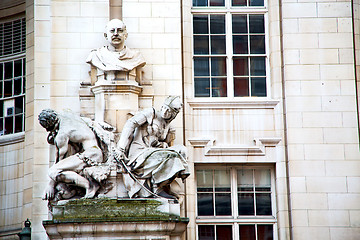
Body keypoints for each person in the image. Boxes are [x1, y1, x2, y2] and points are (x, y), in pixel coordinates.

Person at [115, 96, 190, 199]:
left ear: (174, 115)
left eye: (170, 111)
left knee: (182, 150)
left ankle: (161, 185)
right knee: (170, 156)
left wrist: (163, 145)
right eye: (165, 108)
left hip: (153, 152)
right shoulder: (151, 113)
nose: (166, 111)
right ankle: (157, 187)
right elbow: (131, 123)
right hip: (139, 153)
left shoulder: (169, 127)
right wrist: (121, 148)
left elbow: (164, 143)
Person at [39, 109, 106, 200]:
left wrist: (50, 185)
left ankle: (89, 186)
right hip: (94, 152)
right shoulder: (67, 114)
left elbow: (59, 161)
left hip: (90, 155)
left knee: (53, 171)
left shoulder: (62, 134)